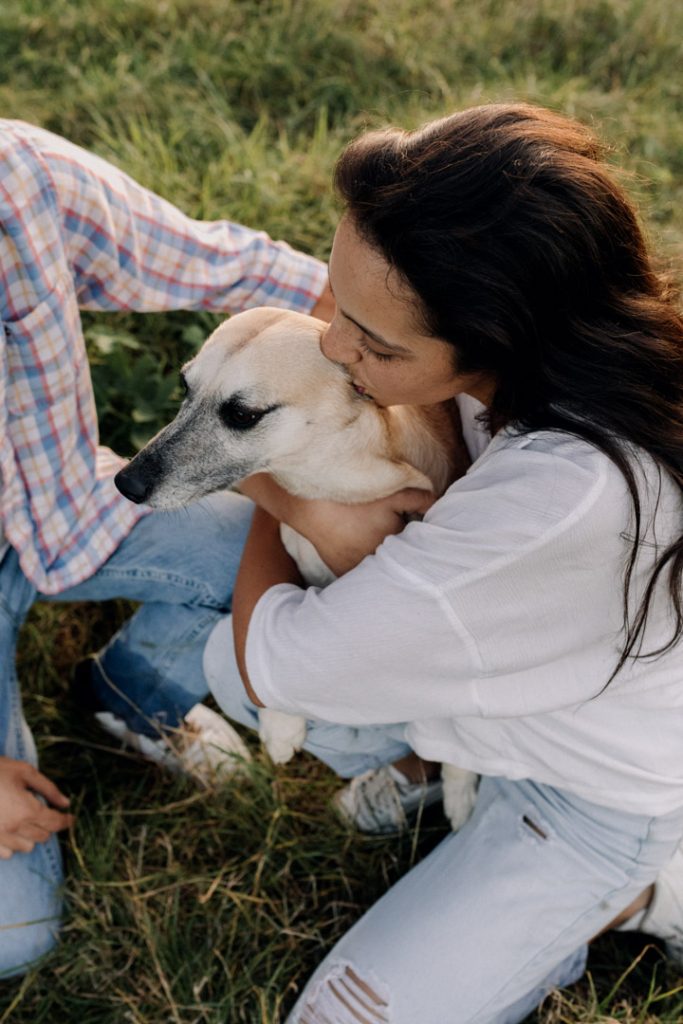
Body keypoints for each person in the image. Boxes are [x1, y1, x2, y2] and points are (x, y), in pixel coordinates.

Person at [199, 104, 683, 1023]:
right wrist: (304, 501)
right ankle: (434, 765)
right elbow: (331, 322)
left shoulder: (556, 501)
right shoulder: (558, 347)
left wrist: (291, 493)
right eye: (339, 301)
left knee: (339, 1018)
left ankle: (642, 894)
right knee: (242, 654)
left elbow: (277, 665)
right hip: (501, 691)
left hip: (589, 795)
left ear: (495, 336)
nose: (332, 348)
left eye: (376, 347)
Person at [0, 118, 333, 977]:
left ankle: (131, 691)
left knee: (291, 564)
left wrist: (382, 331)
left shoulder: (14, 178)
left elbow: (210, 259)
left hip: (55, 509)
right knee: (15, 937)